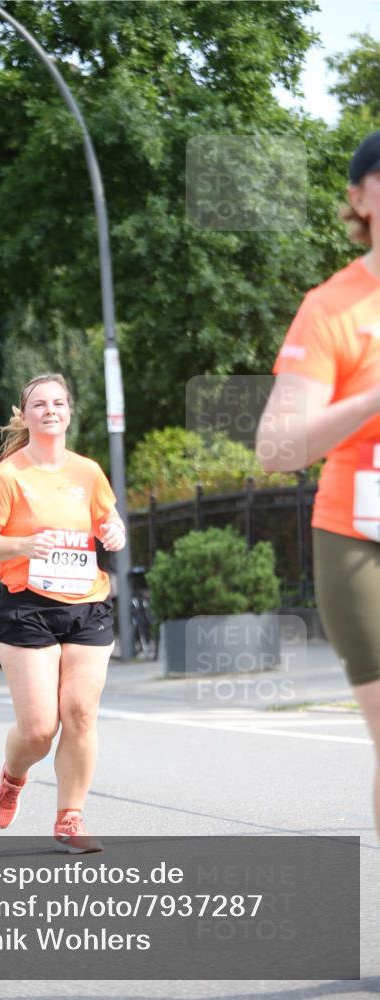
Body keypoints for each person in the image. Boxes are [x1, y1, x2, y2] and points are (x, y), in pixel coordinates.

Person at [256, 129, 380, 836]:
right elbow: (275, 447)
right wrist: (368, 401)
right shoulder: (332, 307)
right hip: (360, 537)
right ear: (358, 197)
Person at [0, 373, 126, 853]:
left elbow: (106, 518)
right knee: (39, 731)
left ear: (69, 412)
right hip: (29, 607)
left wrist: (114, 530)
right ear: (26, 415)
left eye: (58, 402)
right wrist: (23, 544)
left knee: (80, 712)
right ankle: (13, 778)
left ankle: (70, 819)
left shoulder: (88, 471)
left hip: (87, 604)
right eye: (40, 404)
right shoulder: (8, 476)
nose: (50, 410)